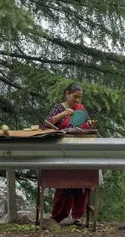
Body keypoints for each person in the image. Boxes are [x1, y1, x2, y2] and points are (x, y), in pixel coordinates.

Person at [41, 83, 97, 226]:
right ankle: (59, 215)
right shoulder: (59, 107)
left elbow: (85, 124)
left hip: (80, 149)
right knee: (63, 182)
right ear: (67, 94)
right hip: (63, 151)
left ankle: (77, 216)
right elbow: (46, 124)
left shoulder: (81, 109)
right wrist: (62, 114)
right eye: (75, 97)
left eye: (80, 97)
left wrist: (89, 124)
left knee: (82, 183)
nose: (77, 101)